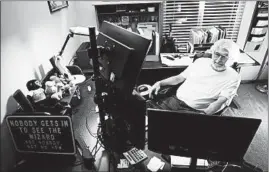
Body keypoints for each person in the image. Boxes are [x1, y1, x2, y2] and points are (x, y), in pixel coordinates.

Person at [149, 39, 241, 115]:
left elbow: (220, 102)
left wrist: (204, 115)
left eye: (224, 56)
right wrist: (160, 83)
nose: (218, 60)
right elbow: (179, 78)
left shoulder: (233, 77)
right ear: (212, 52)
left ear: (231, 58)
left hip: (194, 111)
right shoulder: (201, 62)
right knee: (146, 113)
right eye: (217, 54)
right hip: (175, 101)